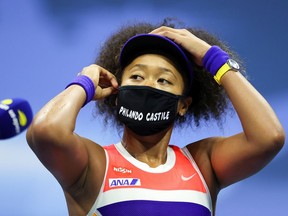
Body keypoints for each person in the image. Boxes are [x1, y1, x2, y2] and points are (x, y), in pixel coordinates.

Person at [26, 19, 285, 216]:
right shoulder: (94, 165)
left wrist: (213, 58)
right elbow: (45, 132)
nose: (148, 85)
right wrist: (84, 83)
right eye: (137, 77)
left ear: (183, 105)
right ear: (117, 94)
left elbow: (269, 137)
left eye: (164, 80)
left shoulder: (202, 163)